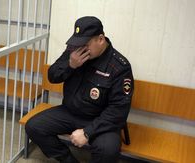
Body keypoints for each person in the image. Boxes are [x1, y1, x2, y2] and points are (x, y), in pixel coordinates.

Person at [25, 16, 134, 163]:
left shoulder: (119, 66)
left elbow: (118, 110)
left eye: (85, 43)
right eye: (78, 43)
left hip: (100, 120)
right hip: (70, 112)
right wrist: (70, 65)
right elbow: (52, 76)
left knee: (107, 151)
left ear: (100, 39)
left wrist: (87, 133)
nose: (80, 48)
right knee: (34, 127)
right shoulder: (74, 51)